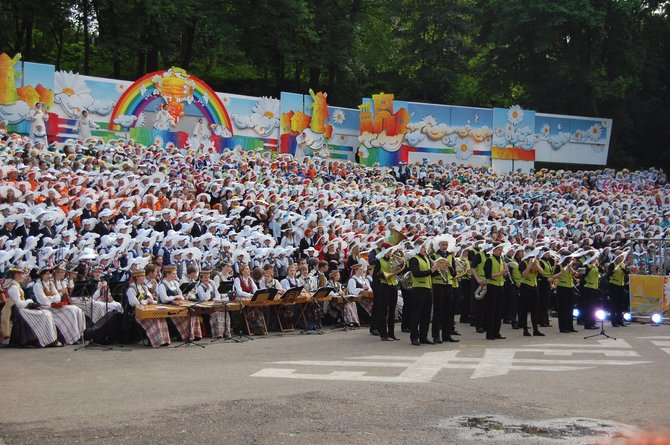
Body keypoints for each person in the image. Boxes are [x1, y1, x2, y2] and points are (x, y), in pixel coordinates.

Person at [1, 267, 59, 347]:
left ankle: (50, 339)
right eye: (23, 274)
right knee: (45, 314)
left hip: (22, 310)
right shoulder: (14, 287)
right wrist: (29, 301)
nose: (24, 276)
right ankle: (43, 339)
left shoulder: (17, 285)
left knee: (47, 313)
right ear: (17, 275)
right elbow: (19, 304)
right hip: (19, 312)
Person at [31, 267, 86, 345]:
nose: (49, 275)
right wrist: (55, 297)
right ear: (41, 275)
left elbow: (58, 298)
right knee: (71, 311)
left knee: (76, 309)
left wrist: (53, 297)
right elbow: (44, 301)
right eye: (47, 274)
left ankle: (79, 335)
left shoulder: (50, 283)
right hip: (45, 307)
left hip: (54, 305)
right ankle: (71, 337)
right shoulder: (37, 285)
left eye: (50, 273)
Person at [156, 265, 202, 341]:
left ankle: (193, 334)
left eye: (175, 273)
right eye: (173, 274)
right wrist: (175, 297)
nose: (175, 275)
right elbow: (164, 299)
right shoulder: (162, 285)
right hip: (167, 307)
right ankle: (183, 334)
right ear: (167, 274)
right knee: (185, 315)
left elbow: (180, 295)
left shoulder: (175, 283)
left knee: (192, 312)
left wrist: (183, 297)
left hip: (178, 305)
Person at [126, 269, 170, 347]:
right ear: (136, 277)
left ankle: (163, 340)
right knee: (153, 319)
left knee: (160, 317)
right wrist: (146, 301)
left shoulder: (144, 287)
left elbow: (150, 298)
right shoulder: (131, 289)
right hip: (136, 312)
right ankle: (154, 341)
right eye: (142, 276)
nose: (143, 278)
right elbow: (134, 303)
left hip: (147, 309)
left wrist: (155, 302)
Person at [408, 239, 437, 346]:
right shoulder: (413, 259)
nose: (426, 249)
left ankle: (423, 337)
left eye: (425, 247)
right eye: (423, 247)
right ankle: (414, 337)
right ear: (418, 248)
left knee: (426, 314)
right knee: (417, 314)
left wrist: (438, 269)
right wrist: (431, 271)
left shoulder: (426, 258)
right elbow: (416, 273)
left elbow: (431, 274)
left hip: (427, 288)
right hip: (418, 288)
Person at [431, 236, 458, 343]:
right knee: (438, 310)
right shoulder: (434, 256)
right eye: (443, 244)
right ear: (439, 245)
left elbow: (454, 273)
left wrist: (450, 267)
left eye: (446, 245)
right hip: (438, 284)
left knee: (448, 310)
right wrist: (438, 268)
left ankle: (447, 335)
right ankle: (436, 335)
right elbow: (431, 273)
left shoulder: (450, 256)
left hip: (448, 284)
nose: (445, 247)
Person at [372, 244, 400, 341]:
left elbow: (398, 270)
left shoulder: (393, 260)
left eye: (391, 251)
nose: (390, 253)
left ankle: (391, 333)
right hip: (384, 286)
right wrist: (383, 275)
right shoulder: (379, 261)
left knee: (392, 310)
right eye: (389, 251)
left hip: (393, 285)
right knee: (384, 311)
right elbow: (375, 276)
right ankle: (383, 334)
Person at [483, 243, 508, 340]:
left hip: (500, 285)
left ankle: (497, 332)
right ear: (494, 250)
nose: (500, 252)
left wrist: (505, 273)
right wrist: (500, 274)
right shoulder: (489, 260)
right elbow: (488, 275)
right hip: (492, 285)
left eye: (501, 250)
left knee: (499, 310)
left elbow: (502, 274)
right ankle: (489, 333)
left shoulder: (501, 259)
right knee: (491, 310)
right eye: (498, 250)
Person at [196, 270, 230, 338]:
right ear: (201, 278)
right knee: (216, 313)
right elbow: (204, 299)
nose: (207, 279)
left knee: (225, 312)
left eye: (208, 277)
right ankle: (217, 333)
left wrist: (216, 299)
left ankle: (225, 332)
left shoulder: (212, 284)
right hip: (205, 307)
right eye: (205, 278)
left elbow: (217, 294)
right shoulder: (200, 287)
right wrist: (208, 289)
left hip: (213, 304)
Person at [518, 251, 545, 337]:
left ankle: (535, 330)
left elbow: (542, 272)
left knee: (535, 309)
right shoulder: (523, 263)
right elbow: (524, 274)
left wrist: (536, 264)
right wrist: (529, 265)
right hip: (525, 286)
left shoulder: (537, 262)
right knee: (525, 309)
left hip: (534, 286)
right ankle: (525, 330)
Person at [551, 256, 578, 333]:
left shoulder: (570, 266)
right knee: (563, 308)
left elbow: (575, 275)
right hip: (562, 287)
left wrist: (573, 271)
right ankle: (562, 327)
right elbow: (553, 276)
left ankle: (570, 326)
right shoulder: (559, 266)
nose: (571, 260)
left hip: (570, 287)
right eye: (570, 259)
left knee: (570, 307)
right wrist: (562, 272)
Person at [607, 253, 629, 327]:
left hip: (621, 285)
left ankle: (620, 320)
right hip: (614, 284)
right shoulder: (612, 264)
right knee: (614, 303)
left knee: (620, 303)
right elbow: (608, 275)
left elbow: (627, 272)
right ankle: (614, 321)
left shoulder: (623, 265)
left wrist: (623, 268)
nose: (621, 259)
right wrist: (613, 271)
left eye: (622, 257)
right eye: (620, 257)